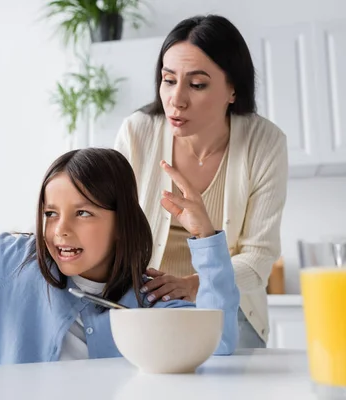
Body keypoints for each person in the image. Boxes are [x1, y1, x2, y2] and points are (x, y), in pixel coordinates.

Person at [0, 148, 240, 365]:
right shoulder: (17, 259)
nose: (60, 230)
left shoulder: (146, 298)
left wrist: (205, 237)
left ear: (122, 223)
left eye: (84, 212)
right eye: (50, 213)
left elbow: (220, 346)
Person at [114, 14, 288, 348]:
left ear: (233, 89)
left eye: (197, 85)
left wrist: (199, 284)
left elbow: (259, 258)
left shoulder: (265, 143)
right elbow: (110, 225)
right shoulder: (137, 132)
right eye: (168, 80)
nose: (176, 100)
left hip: (230, 310)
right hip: (146, 307)